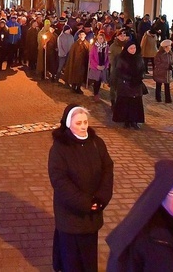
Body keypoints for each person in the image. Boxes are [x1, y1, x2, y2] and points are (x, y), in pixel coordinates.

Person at [48, 105, 114, 272]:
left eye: (85, 122)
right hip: (70, 214)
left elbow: (108, 169)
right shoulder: (60, 148)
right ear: (69, 124)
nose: (83, 126)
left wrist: (100, 199)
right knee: (72, 259)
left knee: (89, 255)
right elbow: (60, 181)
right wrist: (85, 203)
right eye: (78, 123)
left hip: (92, 212)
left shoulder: (97, 143)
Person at [112, 42, 146, 129]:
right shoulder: (122, 58)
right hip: (126, 85)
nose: (133, 50)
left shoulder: (139, 58)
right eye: (131, 48)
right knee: (126, 103)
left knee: (135, 104)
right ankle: (126, 121)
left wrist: (139, 77)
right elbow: (119, 71)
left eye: (134, 48)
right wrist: (129, 78)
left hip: (136, 85)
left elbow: (142, 70)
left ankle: (134, 121)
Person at [87, 31, 109, 102]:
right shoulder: (94, 47)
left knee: (99, 81)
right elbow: (91, 57)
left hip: (102, 66)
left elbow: (108, 57)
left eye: (101, 38)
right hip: (96, 67)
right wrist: (96, 66)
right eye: (99, 38)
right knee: (96, 81)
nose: (100, 40)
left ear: (103, 39)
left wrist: (105, 65)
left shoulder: (106, 47)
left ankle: (97, 92)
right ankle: (96, 94)